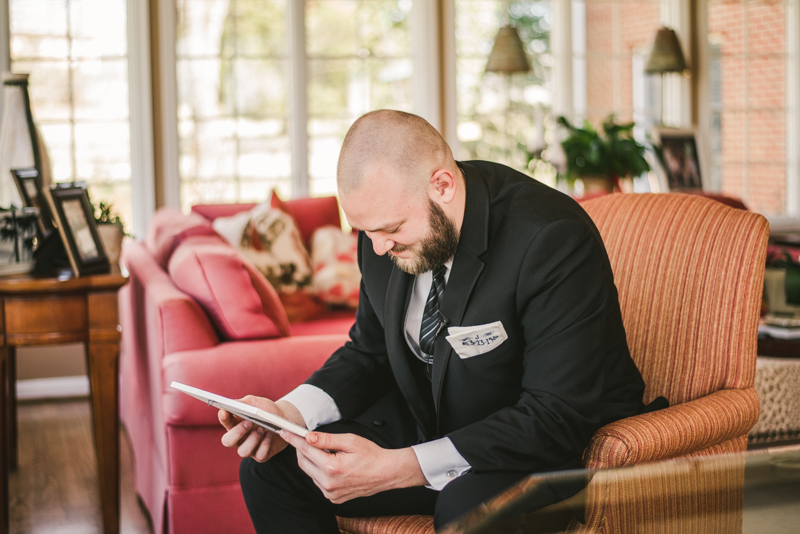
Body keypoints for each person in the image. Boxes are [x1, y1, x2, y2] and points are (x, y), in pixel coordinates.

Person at [219, 110, 652, 533]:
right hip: (436, 425)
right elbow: (369, 351)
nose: (379, 247)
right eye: (365, 231)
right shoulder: (381, 235)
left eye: (390, 228)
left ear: (442, 185)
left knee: (466, 509)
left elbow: (556, 414)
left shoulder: (549, 236)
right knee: (274, 468)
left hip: (538, 449)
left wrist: (400, 467)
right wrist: (289, 415)